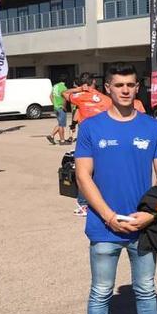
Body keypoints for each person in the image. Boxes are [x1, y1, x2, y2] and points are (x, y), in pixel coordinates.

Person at [74, 63, 157, 314]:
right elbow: (83, 176)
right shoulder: (92, 128)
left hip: (142, 226)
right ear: (107, 87)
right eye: (119, 85)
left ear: (137, 88)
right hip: (104, 228)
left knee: (146, 290)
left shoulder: (151, 128)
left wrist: (151, 214)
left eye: (131, 85)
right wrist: (107, 215)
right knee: (101, 292)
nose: (125, 90)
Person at [64, 73, 112, 217]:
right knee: (102, 170)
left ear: (85, 84)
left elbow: (64, 93)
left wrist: (78, 89)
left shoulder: (81, 97)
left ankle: (84, 204)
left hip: (86, 138)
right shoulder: (106, 99)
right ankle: (103, 201)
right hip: (104, 137)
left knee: (84, 172)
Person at [48, 74, 69, 145]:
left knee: (60, 123)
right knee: (61, 125)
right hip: (61, 108)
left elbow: (50, 96)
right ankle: (62, 140)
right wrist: (64, 107)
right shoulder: (64, 87)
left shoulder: (55, 86)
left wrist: (54, 104)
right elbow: (65, 98)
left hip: (55, 108)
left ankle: (51, 136)